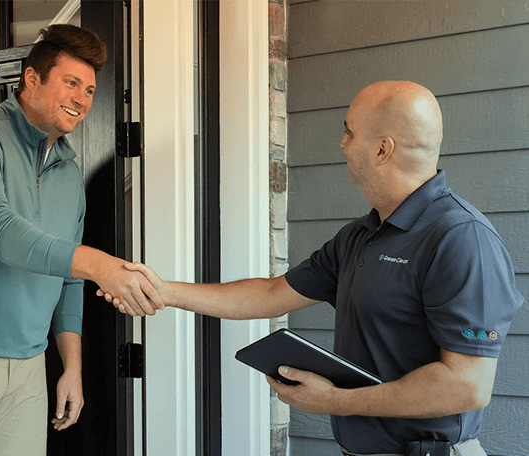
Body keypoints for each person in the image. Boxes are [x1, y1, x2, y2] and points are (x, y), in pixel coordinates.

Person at [105, 81, 524, 455]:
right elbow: (271, 294)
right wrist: (163, 290)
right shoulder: (361, 236)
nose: (342, 144)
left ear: (382, 148)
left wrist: (335, 401)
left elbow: (467, 385)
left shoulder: (461, 239)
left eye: (349, 131)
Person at [0, 24, 162, 456]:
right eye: (70, 83)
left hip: (28, 372)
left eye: (90, 90)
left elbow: (67, 282)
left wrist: (71, 367)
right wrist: (99, 263)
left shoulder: (69, 173)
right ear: (31, 79)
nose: (82, 99)